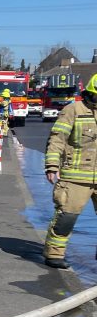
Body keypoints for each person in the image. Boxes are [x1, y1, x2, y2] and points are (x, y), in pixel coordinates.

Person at [43, 74, 97, 270]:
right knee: (66, 217)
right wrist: (52, 166)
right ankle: (54, 254)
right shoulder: (73, 110)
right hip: (75, 176)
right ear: (90, 94)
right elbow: (57, 138)